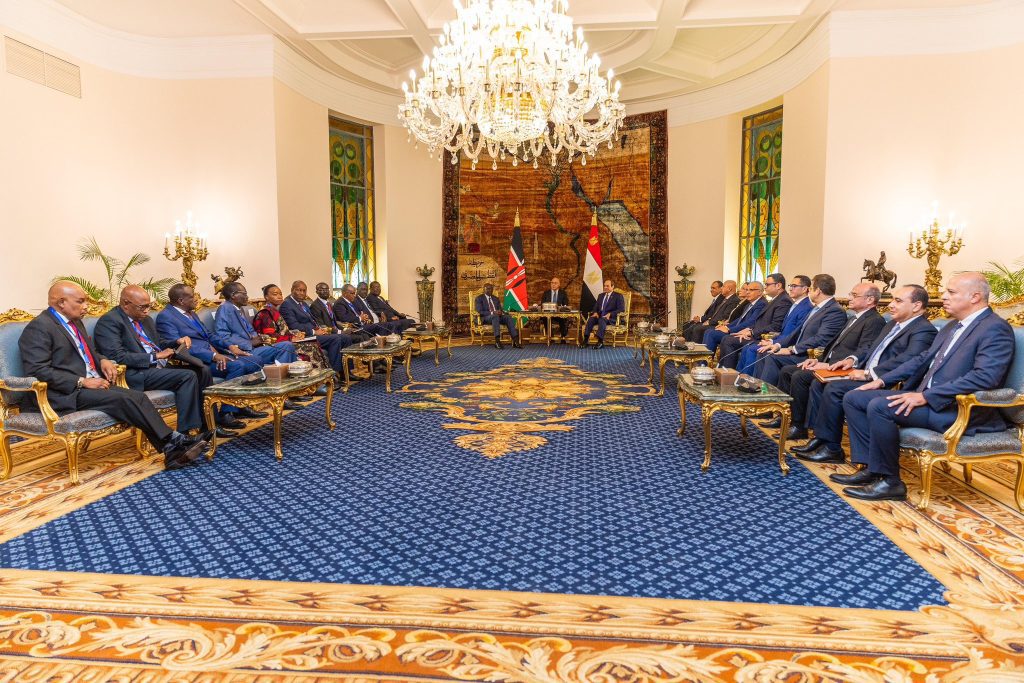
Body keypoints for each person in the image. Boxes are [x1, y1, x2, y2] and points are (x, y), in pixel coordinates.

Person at [837, 273, 1015, 501]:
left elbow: (985, 377)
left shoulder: (994, 328)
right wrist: (881, 380)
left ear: (975, 297)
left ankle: (890, 482)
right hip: (929, 398)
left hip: (955, 409)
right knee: (854, 397)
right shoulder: (952, 326)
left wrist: (927, 397)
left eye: (951, 292)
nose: (943, 297)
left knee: (880, 407)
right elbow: (921, 359)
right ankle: (871, 468)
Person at [21, 282, 209, 470]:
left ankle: (172, 449)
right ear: (61, 302)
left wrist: (102, 359)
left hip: (92, 383)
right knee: (123, 399)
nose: (87, 306)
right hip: (64, 392)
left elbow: (89, 351)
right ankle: (176, 441)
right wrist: (82, 381)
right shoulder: (39, 327)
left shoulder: (75, 322)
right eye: (81, 301)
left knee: (137, 396)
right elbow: (37, 370)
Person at [794, 284, 936, 464]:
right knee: (820, 381)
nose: (890, 305)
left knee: (835, 388)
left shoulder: (924, 329)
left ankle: (832, 448)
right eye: (892, 299)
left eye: (897, 301)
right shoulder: (893, 323)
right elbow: (871, 348)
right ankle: (822, 439)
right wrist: (852, 359)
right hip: (863, 371)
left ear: (916, 306)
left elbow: (908, 360)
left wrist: (870, 373)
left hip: (886, 381)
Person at [93, 285, 226, 438]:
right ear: (125, 304)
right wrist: (155, 357)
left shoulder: (146, 320)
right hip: (137, 371)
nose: (146, 311)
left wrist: (176, 342)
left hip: (157, 367)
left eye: (148, 306)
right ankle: (186, 432)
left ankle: (209, 424)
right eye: (142, 307)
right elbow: (117, 356)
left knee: (202, 370)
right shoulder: (110, 321)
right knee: (187, 376)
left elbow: (158, 343)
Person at [762, 282, 886, 439]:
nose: (849, 298)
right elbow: (832, 345)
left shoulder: (874, 320)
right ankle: (788, 418)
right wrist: (817, 360)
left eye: (854, 295)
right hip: (830, 364)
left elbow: (865, 349)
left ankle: (801, 427)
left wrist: (836, 363)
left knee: (800, 376)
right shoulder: (854, 317)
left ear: (869, 300)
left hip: (844, 368)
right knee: (788, 371)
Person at [156, 283, 265, 429]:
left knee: (255, 361)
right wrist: (213, 355)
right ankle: (227, 413)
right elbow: (179, 347)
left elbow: (209, 335)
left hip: (214, 353)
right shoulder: (166, 317)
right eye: (192, 296)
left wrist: (229, 346)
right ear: (181, 301)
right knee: (237, 366)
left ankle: (240, 405)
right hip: (196, 361)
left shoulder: (191, 313)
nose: (196, 298)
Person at [753, 274, 848, 386]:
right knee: (765, 352)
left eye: (811, 288)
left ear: (818, 291)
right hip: (799, 350)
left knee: (772, 357)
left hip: (809, 355)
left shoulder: (834, 311)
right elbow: (797, 332)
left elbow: (821, 338)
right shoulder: (817, 308)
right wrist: (778, 345)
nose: (809, 291)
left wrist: (792, 349)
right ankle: (757, 389)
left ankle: (767, 396)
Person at [277, 281, 355, 375]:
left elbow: (312, 320)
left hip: (315, 333)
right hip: (304, 336)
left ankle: (347, 372)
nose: (302, 293)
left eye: (304, 291)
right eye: (299, 290)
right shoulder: (287, 304)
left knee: (346, 338)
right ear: (292, 290)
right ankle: (333, 373)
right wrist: (314, 331)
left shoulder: (303, 304)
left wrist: (320, 329)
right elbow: (294, 326)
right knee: (336, 338)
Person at [738, 275, 812, 374]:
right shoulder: (796, 304)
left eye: (794, 286)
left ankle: (750, 382)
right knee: (750, 347)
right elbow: (784, 330)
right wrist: (771, 340)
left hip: (789, 345)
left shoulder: (805, 307)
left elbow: (795, 333)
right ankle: (740, 378)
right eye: (790, 285)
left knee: (754, 349)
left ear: (804, 289)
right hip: (781, 339)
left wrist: (774, 343)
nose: (790, 288)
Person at [715, 274, 791, 370]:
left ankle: (729, 374)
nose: (765, 287)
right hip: (758, 333)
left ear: (778, 286)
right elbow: (760, 321)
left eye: (767, 284)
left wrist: (752, 332)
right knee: (728, 338)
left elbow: (776, 326)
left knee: (729, 340)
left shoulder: (783, 301)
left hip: (764, 336)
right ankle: (726, 372)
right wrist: (749, 330)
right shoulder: (776, 299)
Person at [215, 282, 298, 366]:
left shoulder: (239, 309)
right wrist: (249, 343)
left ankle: (286, 373)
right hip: (243, 351)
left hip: (253, 348)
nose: (247, 297)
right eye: (244, 294)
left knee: (287, 346)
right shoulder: (225, 308)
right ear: (233, 295)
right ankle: (280, 375)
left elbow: (250, 330)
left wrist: (258, 338)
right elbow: (223, 336)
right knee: (286, 346)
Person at [581, 279, 625, 349]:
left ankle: (600, 341)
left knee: (602, 320)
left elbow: (621, 309)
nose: (605, 287)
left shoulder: (618, 296)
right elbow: (596, 307)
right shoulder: (601, 295)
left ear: (612, 286)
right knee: (591, 319)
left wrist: (610, 314)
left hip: (611, 318)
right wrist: (595, 312)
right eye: (604, 286)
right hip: (600, 316)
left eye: (607, 286)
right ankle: (585, 340)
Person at [475, 284, 521, 349]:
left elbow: (500, 309)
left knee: (508, 317)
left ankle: (515, 341)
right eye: (487, 289)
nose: (489, 290)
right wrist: (493, 312)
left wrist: (500, 312)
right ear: (484, 290)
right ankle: (497, 341)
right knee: (495, 316)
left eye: (491, 289)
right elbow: (480, 311)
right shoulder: (479, 298)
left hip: (497, 317)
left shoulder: (495, 298)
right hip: (486, 317)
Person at [540, 276, 570, 343]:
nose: (553, 284)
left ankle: (563, 337)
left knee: (562, 318)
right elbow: (542, 304)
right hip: (548, 314)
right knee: (545, 318)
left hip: (558, 314)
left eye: (555, 283)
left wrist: (562, 307)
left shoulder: (563, 293)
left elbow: (566, 304)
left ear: (559, 284)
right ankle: (551, 336)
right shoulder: (546, 293)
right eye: (552, 283)